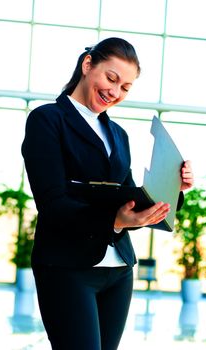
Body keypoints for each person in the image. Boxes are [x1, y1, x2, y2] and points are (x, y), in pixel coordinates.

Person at [21, 37, 194, 350]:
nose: (115, 92)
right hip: (68, 268)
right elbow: (53, 205)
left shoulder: (118, 135)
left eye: (125, 87)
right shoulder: (47, 120)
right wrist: (114, 221)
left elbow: (129, 198)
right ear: (88, 66)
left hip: (118, 272)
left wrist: (172, 189)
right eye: (111, 78)